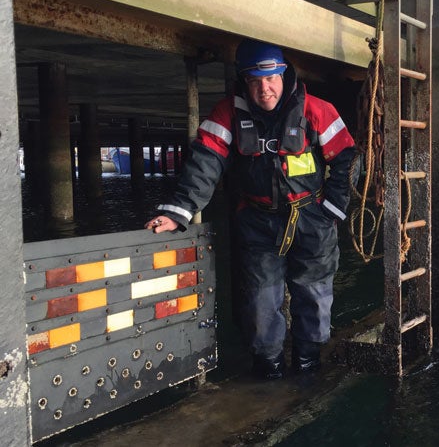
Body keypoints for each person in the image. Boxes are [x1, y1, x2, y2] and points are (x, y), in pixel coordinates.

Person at [145, 38, 358, 380]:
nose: (265, 89)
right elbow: (205, 162)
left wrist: (332, 209)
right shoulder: (227, 114)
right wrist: (178, 210)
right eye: (256, 82)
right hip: (258, 222)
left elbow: (346, 158)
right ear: (244, 81)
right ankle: (269, 368)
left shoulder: (317, 110)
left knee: (314, 296)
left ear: (284, 74)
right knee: (260, 302)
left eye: (271, 78)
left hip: (312, 219)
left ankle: (307, 363)